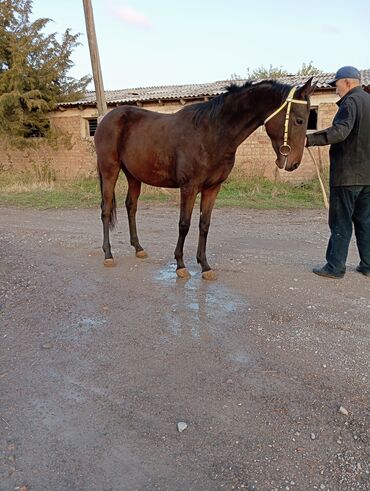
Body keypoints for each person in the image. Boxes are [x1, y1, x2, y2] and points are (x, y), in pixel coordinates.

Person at [306, 66, 370, 278]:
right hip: (367, 178)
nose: (336, 89)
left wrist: (310, 139)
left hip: (347, 176)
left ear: (348, 83)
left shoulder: (350, 103)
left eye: (337, 85)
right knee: (365, 222)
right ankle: (368, 265)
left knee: (340, 221)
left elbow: (341, 131)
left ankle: (335, 267)